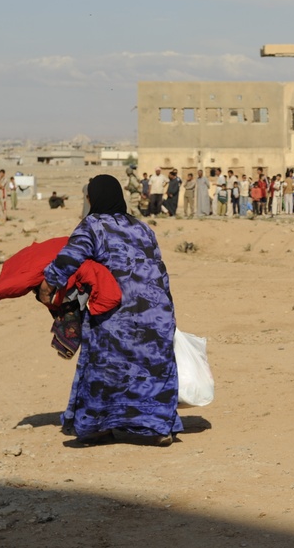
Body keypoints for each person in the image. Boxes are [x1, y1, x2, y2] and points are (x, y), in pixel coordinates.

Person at [38, 174, 183, 446]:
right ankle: (158, 427)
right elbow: (159, 269)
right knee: (151, 367)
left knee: (105, 367)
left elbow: (69, 257)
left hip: (117, 314)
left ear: (93, 198)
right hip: (156, 310)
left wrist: (48, 285)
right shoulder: (142, 227)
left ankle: (98, 426)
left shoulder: (92, 226)